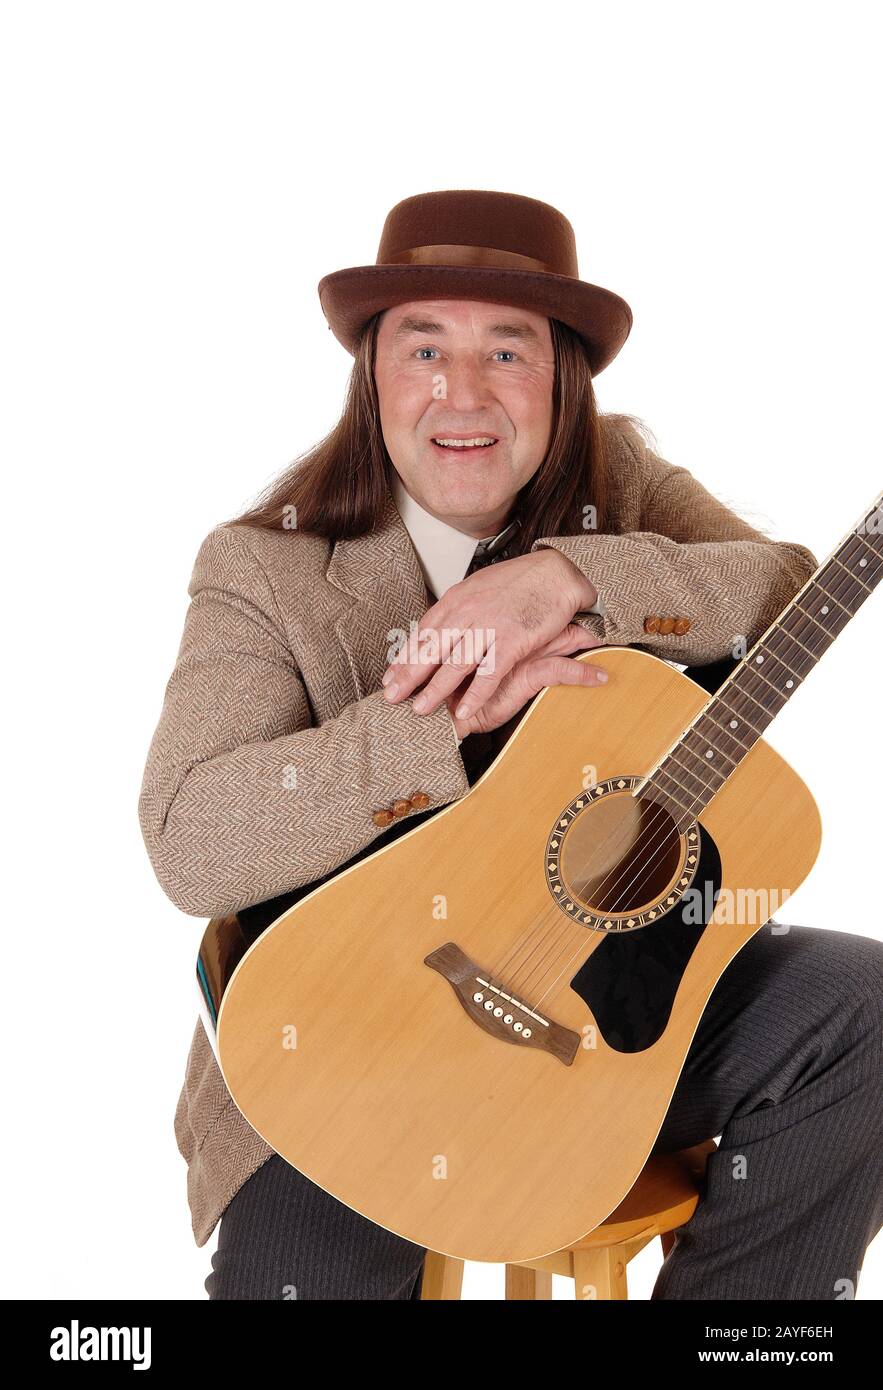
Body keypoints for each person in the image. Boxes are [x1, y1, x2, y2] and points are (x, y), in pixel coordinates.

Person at [138, 189, 883, 1300]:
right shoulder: (264, 568)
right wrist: (435, 727)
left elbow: (780, 588)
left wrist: (575, 577)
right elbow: (190, 840)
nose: (464, 393)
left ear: (563, 379)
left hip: (594, 1019)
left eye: (509, 351)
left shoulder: (614, 485)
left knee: (863, 1011)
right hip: (344, 1032)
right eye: (423, 346)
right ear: (373, 374)